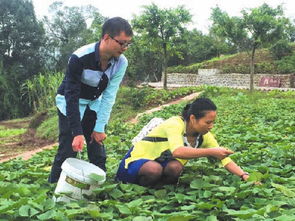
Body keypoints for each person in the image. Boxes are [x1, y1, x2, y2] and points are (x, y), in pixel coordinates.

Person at [48, 17, 133, 183]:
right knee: (68, 149)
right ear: (106, 37)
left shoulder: (121, 63)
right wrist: (77, 132)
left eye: (128, 44)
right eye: (121, 43)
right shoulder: (79, 57)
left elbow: (109, 95)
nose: (124, 48)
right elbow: (70, 95)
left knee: (97, 147)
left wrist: (100, 127)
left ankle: (99, 188)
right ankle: (53, 187)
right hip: (70, 103)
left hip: (94, 103)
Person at [116, 98, 250, 186]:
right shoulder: (174, 124)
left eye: (213, 122)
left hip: (160, 162)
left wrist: (243, 175)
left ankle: (159, 191)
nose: (211, 126)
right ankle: (135, 189)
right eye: (208, 122)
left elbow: (224, 159)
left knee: (176, 167)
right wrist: (210, 152)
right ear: (193, 118)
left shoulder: (204, 135)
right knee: (153, 169)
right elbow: (178, 151)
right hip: (136, 161)